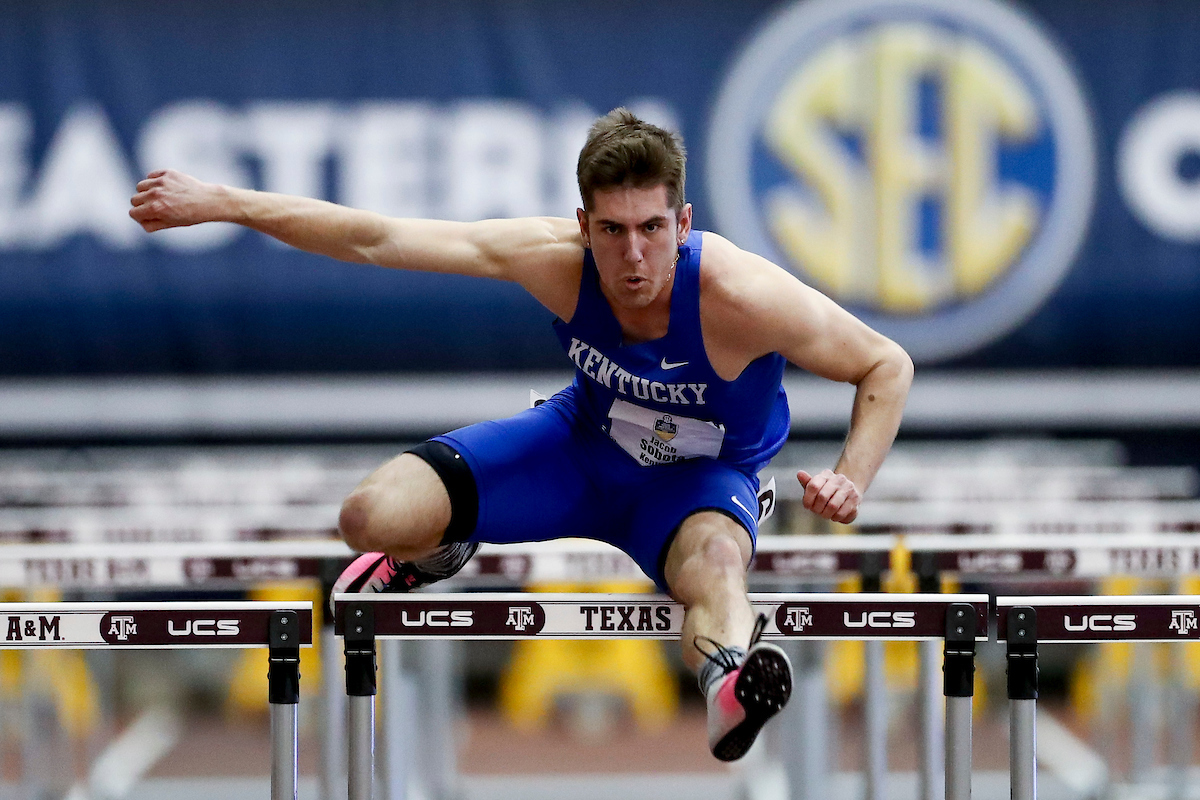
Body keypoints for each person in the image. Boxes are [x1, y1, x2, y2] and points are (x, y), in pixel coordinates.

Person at [130, 108, 913, 761]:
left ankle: (729, 687)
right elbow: (375, 238)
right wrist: (226, 202)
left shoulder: (745, 295)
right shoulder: (552, 258)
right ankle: (439, 547)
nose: (632, 255)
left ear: (683, 223)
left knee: (713, 565)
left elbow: (885, 365)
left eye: (650, 229)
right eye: (610, 231)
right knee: (366, 520)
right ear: (582, 224)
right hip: (577, 447)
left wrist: (853, 474)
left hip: (697, 487)